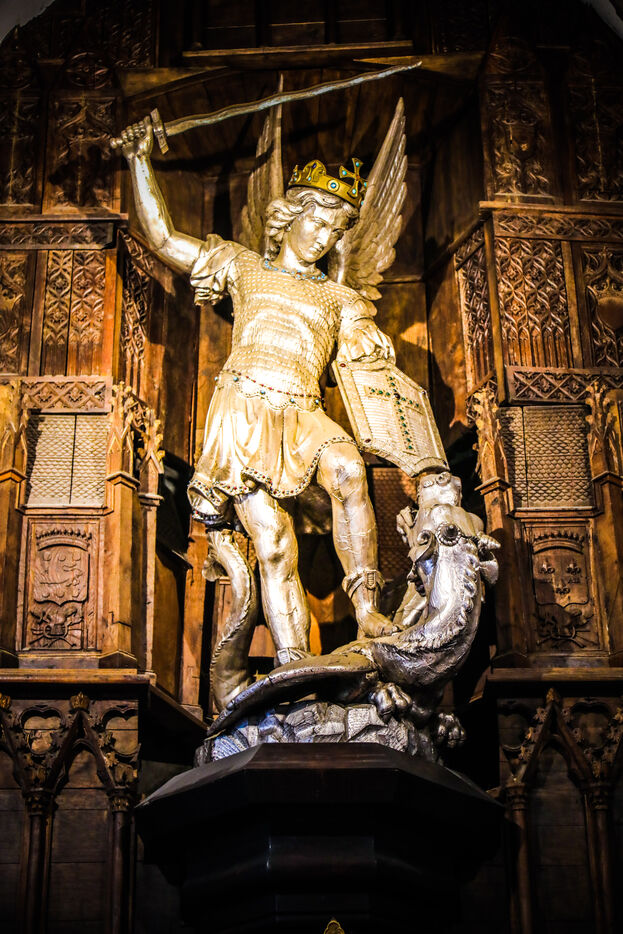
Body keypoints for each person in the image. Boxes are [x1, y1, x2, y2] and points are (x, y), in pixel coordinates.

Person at [118, 117, 399, 666]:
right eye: (317, 221)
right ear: (290, 215)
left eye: (335, 231)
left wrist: (367, 340)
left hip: (303, 408)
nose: (323, 237)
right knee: (272, 543)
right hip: (244, 409)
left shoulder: (341, 298)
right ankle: (293, 661)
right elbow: (164, 238)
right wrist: (139, 159)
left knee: (348, 469)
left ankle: (367, 609)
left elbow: (359, 342)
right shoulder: (242, 265)